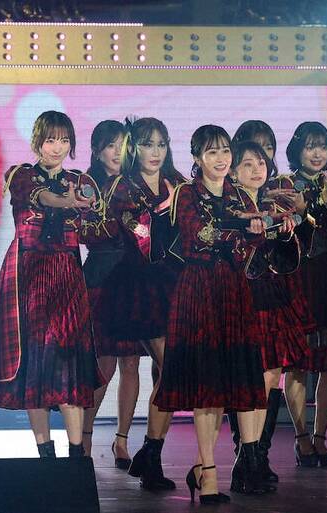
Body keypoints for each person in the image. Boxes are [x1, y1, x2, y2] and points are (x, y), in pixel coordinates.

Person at [0, 111, 107, 459]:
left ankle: (77, 454)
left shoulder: (81, 180)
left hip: (67, 275)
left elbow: (95, 224)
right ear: (37, 142)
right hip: (29, 275)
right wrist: (67, 202)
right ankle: (45, 453)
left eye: (64, 140)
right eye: (51, 140)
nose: (58, 147)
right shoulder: (20, 175)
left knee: (68, 361)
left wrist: (91, 211)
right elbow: (42, 197)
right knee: (34, 361)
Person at [154, 125, 267, 504]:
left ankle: (207, 469)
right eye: (212, 152)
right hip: (199, 290)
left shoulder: (239, 194)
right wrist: (239, 230)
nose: (221, 160)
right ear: (197, 158)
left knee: (226, 383)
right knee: (206, 386)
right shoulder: (187, 193)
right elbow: (197, 234)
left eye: (225, 152)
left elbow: (255, 241)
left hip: (233, 291)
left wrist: (258, 229)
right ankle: (209, 473)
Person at [97, 118, 187, 490]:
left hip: (173, 282)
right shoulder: (123, 186)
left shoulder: (177, 182)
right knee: (167, 365)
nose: (155, 152)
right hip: (137, 286)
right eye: (148, 144)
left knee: (168, 372)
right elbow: (133, 235)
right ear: (134, 147)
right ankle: (88, 448)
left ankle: (152, 454)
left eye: (161, 144)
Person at [268, 121, 327, 467]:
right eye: (310, 146)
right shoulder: (283, 186)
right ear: (297, 150)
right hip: (298, 277)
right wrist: (308, 211)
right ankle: (301, 437)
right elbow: (286, 237)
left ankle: (321, 437)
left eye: (323, 146)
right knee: (298, 362)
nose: (317, 153)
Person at [229, 140, 309, 485]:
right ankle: (245, 455)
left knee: (272, 374)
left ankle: (259, 455)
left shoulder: (275, 203)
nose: (256, 170)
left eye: (260, 163)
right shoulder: (229, 205)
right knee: (252, 377)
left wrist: (289, 233)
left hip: (273, 295)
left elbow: (291, 257)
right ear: (234, 171)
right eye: (247, 164)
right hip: (243, 297)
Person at [80, 120, 145, 466]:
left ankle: (122, 441)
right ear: (97, 151)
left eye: (123, 145)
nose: (118, 152)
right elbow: (84, 232)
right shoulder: (87, 185)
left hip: (133, 275)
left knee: (131, 362)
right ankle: (84, 438)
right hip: (102, 275)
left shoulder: (137, 183)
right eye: (110, 146)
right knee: (103, 363)